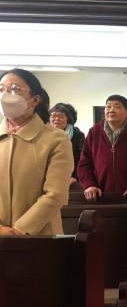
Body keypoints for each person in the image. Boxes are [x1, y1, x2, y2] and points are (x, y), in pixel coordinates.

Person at [0, 69, 73, 235]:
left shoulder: (57, 139)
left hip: (39, 237)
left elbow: (55, 194)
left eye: (14, 89)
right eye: (1, 89)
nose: (5, 95)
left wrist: (18, 230)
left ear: (34, 100)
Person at [49, 103, 85, 184]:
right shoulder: (43, 134)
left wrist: (75, 177)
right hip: (48, 178)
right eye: (53, 116)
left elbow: (82, 159)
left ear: (68, 119)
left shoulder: (78, 136)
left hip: (71, 179)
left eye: (61, 116)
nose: (56, 119)